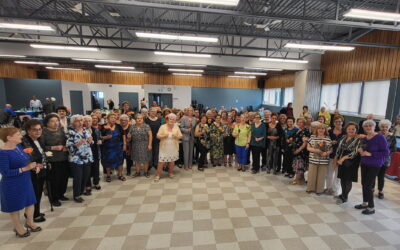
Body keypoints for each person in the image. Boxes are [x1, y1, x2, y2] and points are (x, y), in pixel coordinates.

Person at [0, 127, 41, 237]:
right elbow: (5, 172)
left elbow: (26, 161)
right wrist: (25, 169)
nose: (21, 136)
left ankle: (30, 222)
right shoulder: (3, 153)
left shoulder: (18, 147)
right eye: (18, 135)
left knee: (30, 202)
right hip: (12, 183)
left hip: (25, 180)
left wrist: (33, 166)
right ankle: (18, 228)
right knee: (14, 207)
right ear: (9, 138)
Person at [356, 120, 390, 215]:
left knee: (368, 185)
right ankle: (365, 203)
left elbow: (386, 153)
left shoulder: (380, 137)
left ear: (374, 127)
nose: (368, 127)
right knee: (364, 183)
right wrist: (361, 150)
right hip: (364, 163)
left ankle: (371, 207)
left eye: (370, 125)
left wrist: (371, 153)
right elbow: (363, 148)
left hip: (375, 164)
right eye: (366, 126)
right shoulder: (365, 138)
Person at [21, 120, 46, 223]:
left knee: (38, 192)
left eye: (39, 129)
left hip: (40, 170)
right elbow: (26, 157)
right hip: (31, 171)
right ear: (28, 131)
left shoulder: (39, 139)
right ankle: (34, 215)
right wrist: (35, 164)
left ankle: (35, 211)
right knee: (34, 194)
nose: (38, 131)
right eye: (34, 130)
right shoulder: (24, 141)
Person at [43, 114, 69, 207]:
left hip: (63, 157)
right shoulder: (43, 133)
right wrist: (52, 147)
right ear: (47, 123)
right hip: (52, 159)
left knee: (63, 178)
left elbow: (66, 141)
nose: (55, 123)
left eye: (57, 121)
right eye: (52, 121)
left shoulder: (61, 130)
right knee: (54, 180)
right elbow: (41, 147)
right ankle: (54, 198)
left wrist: (67, 146)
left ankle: (61, 194)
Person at [66, 115, 93, 203]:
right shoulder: (70, 132)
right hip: (76, 159)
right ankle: (76, 195)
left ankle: (81, 192)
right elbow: (69, 148)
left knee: (85, 176)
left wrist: (90, 141)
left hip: (87, 157)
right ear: (73, 122)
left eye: (81, 120)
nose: (80, 122)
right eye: (78, 121)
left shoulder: (85, 130)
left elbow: (91, 142)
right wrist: (77, 144)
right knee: (78, 178)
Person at [335, 122, 361, 204]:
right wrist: (336, 158)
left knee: (348, 179)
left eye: (353, 129)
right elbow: (338, 148)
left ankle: (345, 197)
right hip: (341, 160)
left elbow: (355, 152)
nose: (351, 130)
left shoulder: (358, 139)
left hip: (352, 161)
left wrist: (343, 158)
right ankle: (343, 194)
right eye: (349, 129)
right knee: (342, 178)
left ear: (356, 130)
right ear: (346, 129)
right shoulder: (343, 137)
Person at [306, 123, 333, 194]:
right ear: (316, 129)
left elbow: (331, 149)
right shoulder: (312, 137)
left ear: (325, 130)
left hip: (324, 160)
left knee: (322, 176)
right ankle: (310, 188)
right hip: (313, 159)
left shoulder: (328, 138)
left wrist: (326, 153)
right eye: (319, 128)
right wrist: (316, 150)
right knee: (312, 175)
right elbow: (308, 147)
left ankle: (319, 190)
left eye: (323, 128)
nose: (321, 130)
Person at [155, 113, 182, 181]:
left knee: (172, 161)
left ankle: (170, 173)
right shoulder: (163, 126)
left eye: (173, 119)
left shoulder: (176, 127)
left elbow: (181, 136)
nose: (172, 120)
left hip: (173, 147)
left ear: (175, 120)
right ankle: (158, 175)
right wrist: (164, 136)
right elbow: (157, 136)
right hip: (164, 147)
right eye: (170, 119)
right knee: (161, 161)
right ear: (167, 119)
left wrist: (176, 136)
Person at [100, 113, 125, 182]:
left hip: (118, 147)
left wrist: (124, 144)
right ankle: (108, 175)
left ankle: (120, 174)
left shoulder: (119, 126)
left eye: (114, 117)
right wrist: (105, 137)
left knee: (120, 161)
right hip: (107, 148)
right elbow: (99, 137)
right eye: (112, 117)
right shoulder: (103, 126)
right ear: (108, 118)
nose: (113, 119)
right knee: (108, 161)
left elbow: (123, 135)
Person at [375, 119, 396, 199]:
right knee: (373, 174)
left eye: (386, 127)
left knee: (381, 176)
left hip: (386, 159)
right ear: (380, 127)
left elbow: (393, 149)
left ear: (389, 127)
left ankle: (380, 191)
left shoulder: (392, 136)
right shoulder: (376, 135)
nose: (384, 128)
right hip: (376, 158)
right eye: (383, 127)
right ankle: (372, 189)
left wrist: (385, 154)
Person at [326, 115, 345, 196]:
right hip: (331, 154)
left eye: (340, 121)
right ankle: (328, 188)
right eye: (336, 121)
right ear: (334, 122)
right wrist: (331, 143)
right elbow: (325, 142)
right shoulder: (329, 131)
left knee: (338, 175)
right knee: (329, 173)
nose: (338, 123)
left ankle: (335, 189)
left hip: (341, 156)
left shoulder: (345, 131)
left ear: (342, 122)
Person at [129, 114, 152, 178]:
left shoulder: (146, 126)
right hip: (135, 144)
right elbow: (129, 135)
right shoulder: (132, 126)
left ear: (143, 119)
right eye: (138, 118)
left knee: (145, 159)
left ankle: (146, 172)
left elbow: (150, 135)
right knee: (137, 160)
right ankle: (137, 172)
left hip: (145, 144)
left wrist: (150, 144)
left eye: (141, 118)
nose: (139, 119)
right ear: (135, 119)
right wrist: (129, 136)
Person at [290, 118, 310, 185]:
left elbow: (305, 142)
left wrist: (299, 150)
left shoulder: (305, 130)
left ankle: (297, 180)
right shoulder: (298, 130)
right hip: (296, 149)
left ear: (304, 123)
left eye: (301, 122)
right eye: (298, 122)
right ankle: (300, 180)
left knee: (299, 165)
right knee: (297, 164)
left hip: (302, 151)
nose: (299, 123)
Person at [85, 115, 102, 193]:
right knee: (87, 170)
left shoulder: (95, 130)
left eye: (89, 121)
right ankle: (88, 185)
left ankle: (96, 182)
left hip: (95, 151)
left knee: (96, 168)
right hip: (86, 153)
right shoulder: (81, 130)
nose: (87, 122)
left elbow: (100, 138)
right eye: (86, 121)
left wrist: (100, 141)